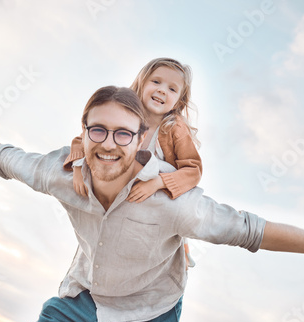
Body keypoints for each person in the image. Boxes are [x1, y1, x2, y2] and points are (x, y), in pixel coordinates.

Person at [0, 86, 304, 322]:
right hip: (81, 303)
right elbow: (3, 154)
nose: (109, 144)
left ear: (140, 142)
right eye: (99, 131)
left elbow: (254, 231)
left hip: (151, 317)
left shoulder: (174, 204)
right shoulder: (60, 172)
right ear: (84, 133)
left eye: (123, 134)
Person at [65, 58, 202, 267]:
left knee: (165, 226)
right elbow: (84, 139)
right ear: (142, 83)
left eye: (172, 89)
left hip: (157, 190)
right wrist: (77, 167)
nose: (162, 90)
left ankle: (178, 249)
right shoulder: (124, 115)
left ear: (179, 102)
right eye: (156, 82)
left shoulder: (174, 128)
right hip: (125, 188)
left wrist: (158, 183)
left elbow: (193, 169)